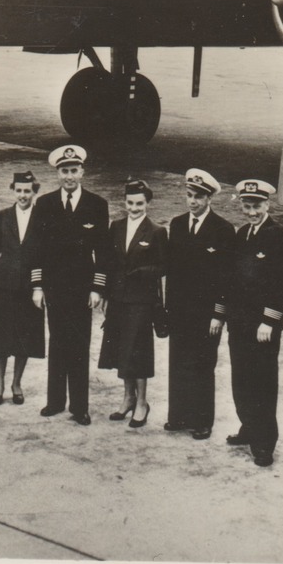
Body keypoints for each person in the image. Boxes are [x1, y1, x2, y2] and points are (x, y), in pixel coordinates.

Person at [213, 180, 283, 468]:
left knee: (262, 383)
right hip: (239, 323)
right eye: (247, 207)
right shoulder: (241, 235)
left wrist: (269, 320)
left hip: (262, 327)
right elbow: (229, 279)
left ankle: (264, 443)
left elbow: (282, 283)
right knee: (241, 379)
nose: (251, 212)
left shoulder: (279, 236)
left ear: (267, 205)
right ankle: (248, 426)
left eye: (256, 206)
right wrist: (222, 314)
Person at [30, 145, 110, 427]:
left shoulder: (97, 205)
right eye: (64, 171)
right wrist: (38, 286)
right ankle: (55, 401)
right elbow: (36, 248)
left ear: (82, 172)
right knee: (57, 342)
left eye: (74, 170)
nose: (69, 176)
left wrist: (98, 288)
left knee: (79, 344)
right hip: (54, 286)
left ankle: (79, 406)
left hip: (82, 288)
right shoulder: (46, 204)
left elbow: (103, 252)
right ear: (57, 174)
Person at [162, 169, 235, 440]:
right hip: (180, 310)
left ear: (210, 199)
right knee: (178, 362)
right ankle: (179, 416)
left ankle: (203, 420)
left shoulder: (223, 230)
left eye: (199, 197)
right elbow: (172, 271)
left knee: (203, 364)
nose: (192, 202)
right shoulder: (178, 224)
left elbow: (226, 277)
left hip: (206, 314)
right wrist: (168, 309)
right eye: (189, 195)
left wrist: (219, 313)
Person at [98, 180, 168, 427]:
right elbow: (107, 262)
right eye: (130, 203)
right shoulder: (116, 227)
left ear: (147, 203)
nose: (134, 208)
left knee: (137, 351)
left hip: (141, 300)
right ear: (124, 202)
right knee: (121, 349)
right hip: (118, 298)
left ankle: (142, 403)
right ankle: (128, 398)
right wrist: (106, 295)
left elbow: (163, 266)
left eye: (139, 203)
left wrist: (143, 271)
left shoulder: (156, 231)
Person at [0, 171, 45, 405]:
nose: (23, 195)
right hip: (3, 284)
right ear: (13, 191)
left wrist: (40, 285)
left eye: (27, 191)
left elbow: (43, 254)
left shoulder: (42, 216)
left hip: (29, 287)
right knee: (0, 337)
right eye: (18, 190)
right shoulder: (2, 216)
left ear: (34, 192)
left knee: (24, 337)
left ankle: (16, 382)